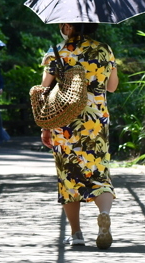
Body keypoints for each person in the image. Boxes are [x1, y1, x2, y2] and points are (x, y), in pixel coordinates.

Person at [39, 22, 118, 249]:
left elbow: (45, 89)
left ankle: (76, 234)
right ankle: (104, 213)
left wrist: (46, 126)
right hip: (96, 120)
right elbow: (112, 87)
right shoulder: (105, 50)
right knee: (98, 170)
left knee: (69, 176)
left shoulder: (57, 52)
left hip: (66, 122)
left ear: (67, 25)